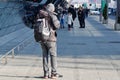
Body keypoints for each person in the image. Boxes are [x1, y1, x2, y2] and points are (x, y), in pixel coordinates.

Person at [34, 3, 61, 79]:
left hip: (42, 38)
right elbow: (57, 26)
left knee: (45, 56)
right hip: (51, 39)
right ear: (52, 9)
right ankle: (54, 73)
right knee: (53, 55)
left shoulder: (40, 15)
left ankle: (46, 74)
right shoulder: (52, 15)